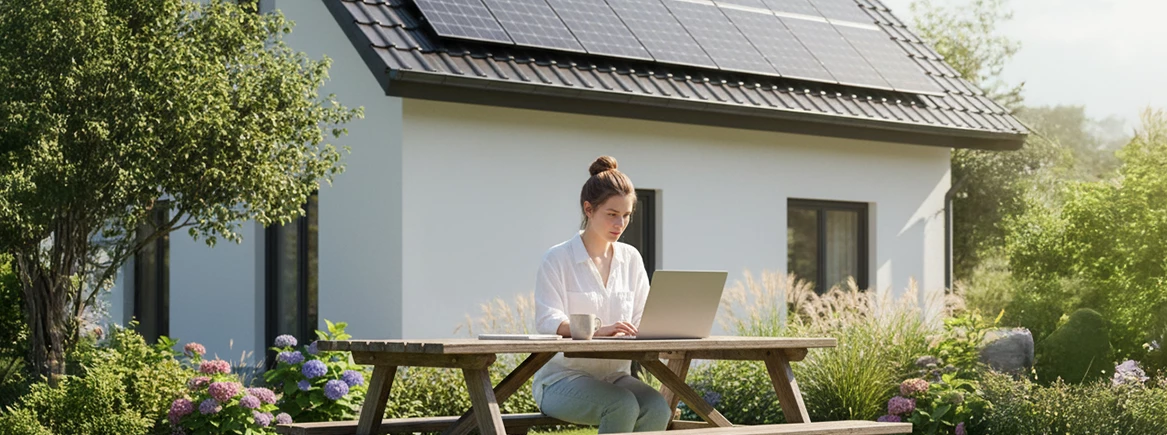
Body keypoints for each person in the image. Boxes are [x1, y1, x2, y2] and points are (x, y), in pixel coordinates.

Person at [531, 156, 671, 433]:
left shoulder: (631, 258)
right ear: (589, 209)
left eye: (627, 215)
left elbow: (644, 315)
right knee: (622, 405)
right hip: (562, 380)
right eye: (612, 214)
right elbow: (548, 321)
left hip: (615, 377)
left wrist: (654, 329)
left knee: (658, 408)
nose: (620, 223)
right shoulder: (558, 258)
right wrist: (597, 330)